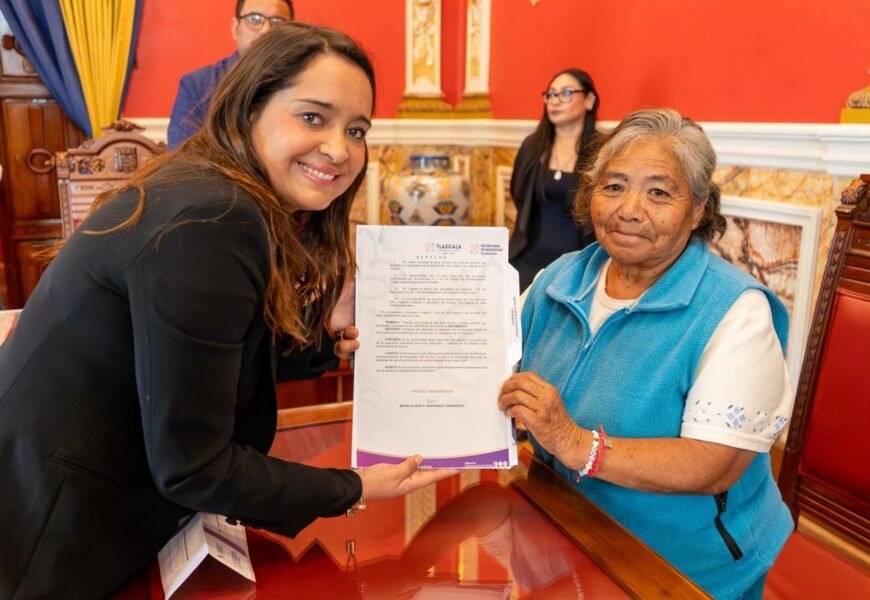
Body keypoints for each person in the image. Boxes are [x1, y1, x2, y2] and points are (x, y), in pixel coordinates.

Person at [0, 24, 452, 599]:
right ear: (249, 109)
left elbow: (205, 357)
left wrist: (321, 346)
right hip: (49, 528)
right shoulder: (214, 217)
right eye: (313, 117)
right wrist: (354, 486)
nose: (340, 149)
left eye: (356, 129)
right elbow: (195, 466)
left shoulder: (213, 190)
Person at [499, 109, 795, 599]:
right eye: (613, 186)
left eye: (659, 192)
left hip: (679, 566)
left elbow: (714, 464)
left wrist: (576, 443)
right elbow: (489, 364)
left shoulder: (735, 311)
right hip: (560, 529)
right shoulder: (560, 278)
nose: (629, 208)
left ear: (698, 209)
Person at [509, 68, 600, 290]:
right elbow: (517, 194)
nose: (555, 101)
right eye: (550, 94)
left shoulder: (600, 150)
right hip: (527, 259)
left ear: (589, 100)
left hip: (577, 265)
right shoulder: (532, 146)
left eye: (566, 93)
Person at [167, 0, 295, 149]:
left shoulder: (304, 82)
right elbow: (182, 160)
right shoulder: (198, 86)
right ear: (235, 28)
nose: (266, 30)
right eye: (254, 19)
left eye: (278, 21)